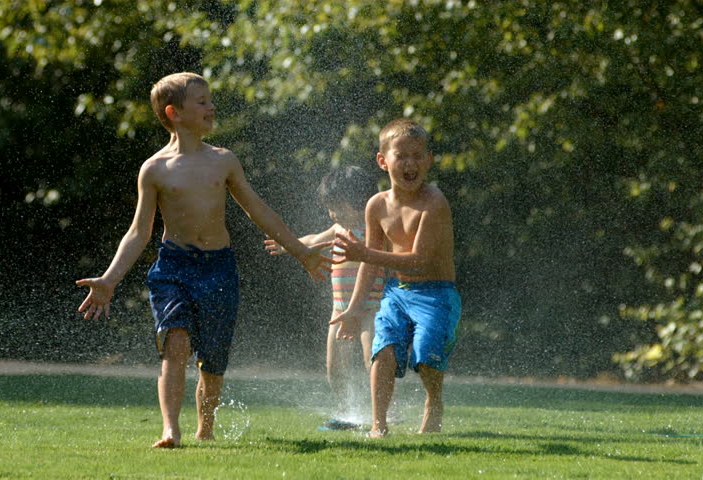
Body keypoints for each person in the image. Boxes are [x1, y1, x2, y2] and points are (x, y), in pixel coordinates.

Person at [75, 72, 332, 448]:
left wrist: (302, 251)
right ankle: (170, 429)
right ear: (174, 113)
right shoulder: (155, 169)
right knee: (174, 343)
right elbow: (138, 232)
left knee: (212, 358)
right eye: (202, 102)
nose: (212, 107)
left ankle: (205, 427)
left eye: (210, 100)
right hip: (173, 267)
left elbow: (258, 211)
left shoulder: (223, 161)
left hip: (218, 267)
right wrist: (110, 279)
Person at [330, 118, 461, 438]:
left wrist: (364, 254)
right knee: (383, 349)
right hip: (396, 291)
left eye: (418, 156)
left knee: (425, 351)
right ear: (382, 160)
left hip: (436, 292)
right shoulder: (376, 205)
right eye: (401, 156)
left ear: (429, 161)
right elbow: (370, 266)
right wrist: (353, 308)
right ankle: (379, 424)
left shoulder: (434, 202)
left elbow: (418, 260)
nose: (410, 163)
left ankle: (433, 401)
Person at [264, 166, 384, 429]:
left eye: (339, 207)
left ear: (361, 202)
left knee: (372, 360)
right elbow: (313, 240)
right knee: (335, 366)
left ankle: (383, 411)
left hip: (371, 308)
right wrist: (289, 245)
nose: (334, 214)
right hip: (339, 309)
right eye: (330, 208)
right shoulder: (339, 228)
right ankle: (345, 412)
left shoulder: (376, 229)